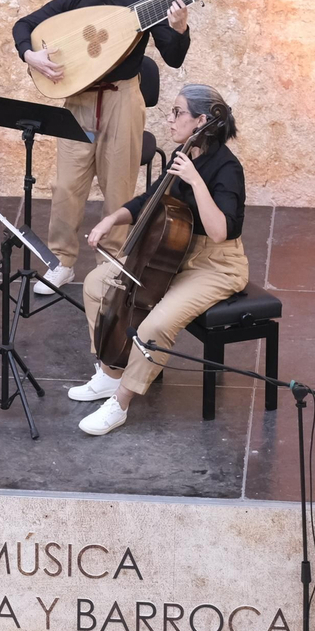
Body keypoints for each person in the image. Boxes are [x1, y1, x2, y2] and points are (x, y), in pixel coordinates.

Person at [13, 0, 191, 295]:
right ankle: (60, 262)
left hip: (121, 100)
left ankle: (112, 264)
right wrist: (31, 55)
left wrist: (180, 27)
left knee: (119, 188)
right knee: (65, 186)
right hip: (78, 100)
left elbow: (172, 58)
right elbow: (25, 24)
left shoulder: (142, 2)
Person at [73, 84, 248, 436]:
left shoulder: (227, 169)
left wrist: (196, 181)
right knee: (95, 284)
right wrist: (111, 219)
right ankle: (110, 373)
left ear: (201, 120)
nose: (169, 120)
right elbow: (151, 200)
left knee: (155, 325)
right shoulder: (183, 153)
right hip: (174, 253)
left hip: (216, 266)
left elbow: (220, 231)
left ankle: (120, 404)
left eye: (177, 113)